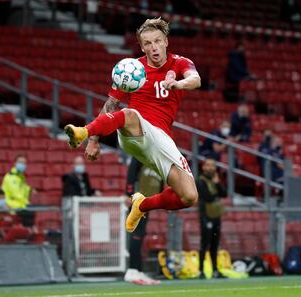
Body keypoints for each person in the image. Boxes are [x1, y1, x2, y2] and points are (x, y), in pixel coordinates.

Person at [64, 17, 201, 233]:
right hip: (134, 131)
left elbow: (195, 79)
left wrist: (177, 83)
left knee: (189, 196)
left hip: (160, 139)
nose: (153, 47)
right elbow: (111, 104)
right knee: (128, 113)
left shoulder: (179, 63)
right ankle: (82, 131)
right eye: (147, 43)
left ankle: (141, 205)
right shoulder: (132, 68)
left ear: (166, 41)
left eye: (157, 41)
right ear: (142, 46)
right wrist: (93, 140)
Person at [124, 158, 163, 285]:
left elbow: (161, 183)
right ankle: (132, 270)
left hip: (148, 202)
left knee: (140, 235)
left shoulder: (159, 161)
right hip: (138, 200)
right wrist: (128, 193)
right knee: (136, 234)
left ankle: (139, 271)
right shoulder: (141, 154)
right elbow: (132, 172)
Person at [196, 158, 226, 279]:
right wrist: (216, 192)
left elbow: (224, 194)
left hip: (216, 215)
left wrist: (218, 183)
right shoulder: (200, 180)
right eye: (208, 165)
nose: (211, 168)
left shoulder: (215, 180)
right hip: (206, 216)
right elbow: (207, 196)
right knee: (205, 243)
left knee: (215, 244)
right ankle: (200, 270)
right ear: (203, 167)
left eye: (213, 165)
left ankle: (215, 270)